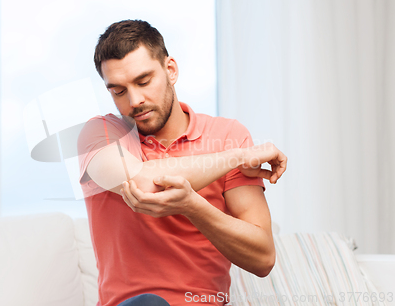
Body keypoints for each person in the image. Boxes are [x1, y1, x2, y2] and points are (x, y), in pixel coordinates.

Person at [77, 20, 287, 306]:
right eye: (118, 91)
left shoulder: (227, 135)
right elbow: (143, 184)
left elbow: (263, 258)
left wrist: (193, 206)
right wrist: (236, 157)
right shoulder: (100, 135)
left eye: (143, 81)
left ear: (170, 70)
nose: (135, 100)